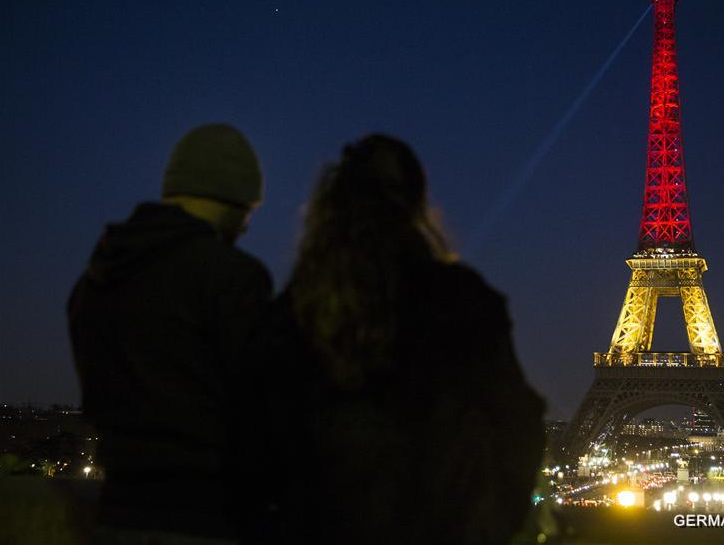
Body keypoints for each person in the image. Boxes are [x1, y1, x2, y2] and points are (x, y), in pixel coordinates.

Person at [257, 134, 545, 544]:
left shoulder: (289, 318)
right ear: (418, 206)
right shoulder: (463, 303)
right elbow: (516, 428)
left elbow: (255, 457)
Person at [68, 124, 272, 543]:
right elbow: (263, 412)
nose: (247, 228)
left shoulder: (93, 283)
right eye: (248, 212)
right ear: (235, 202)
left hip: (115, 518)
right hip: (209, 521)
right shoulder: (232, 278)